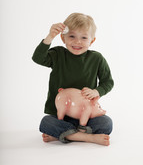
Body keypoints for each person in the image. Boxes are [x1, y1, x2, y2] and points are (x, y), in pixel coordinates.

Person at [32, 13, 114, 146]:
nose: (77, 42)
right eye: (72, 36)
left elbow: (108, 82)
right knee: (46, 122)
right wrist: (50, 36)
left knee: (106, 123)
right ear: (63, 38)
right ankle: (87, 137)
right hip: (60, 116)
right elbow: (38, 58)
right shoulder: (58, 54)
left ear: (92, 40)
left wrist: (96, 91)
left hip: (86, 115)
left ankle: (64, 135)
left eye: (83, 37)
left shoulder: (97, 59)